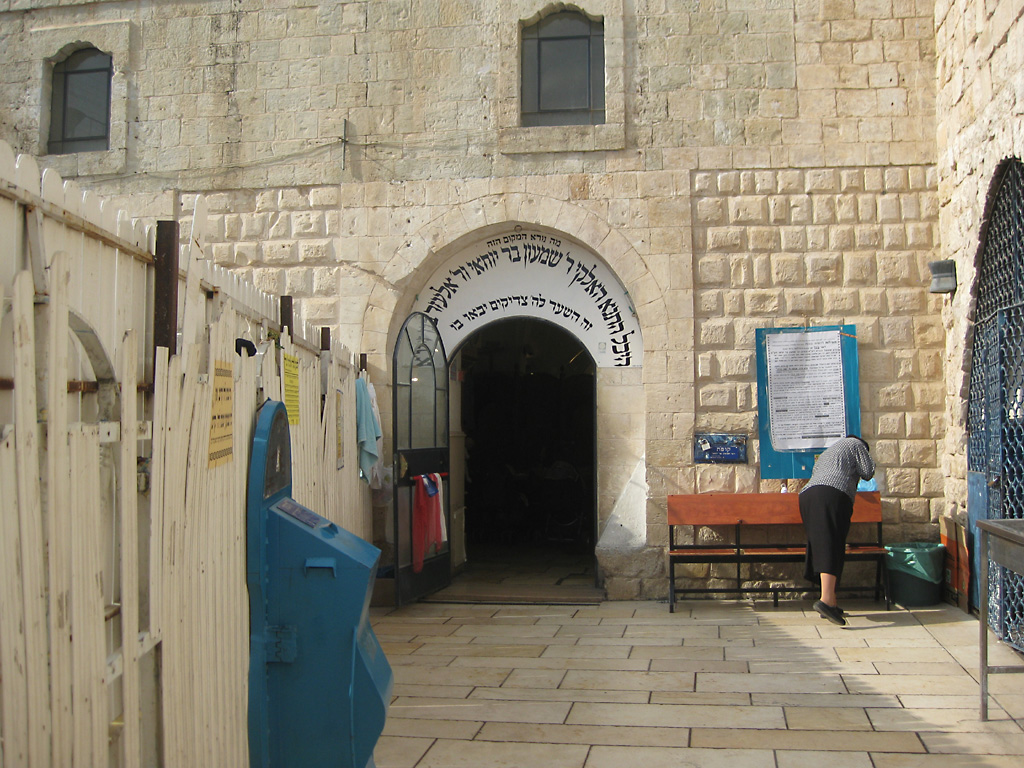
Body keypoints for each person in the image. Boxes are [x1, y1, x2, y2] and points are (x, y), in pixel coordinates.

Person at [798, 434, 875, 626]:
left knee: (821, 544)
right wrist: (867, 457)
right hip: (831, 494)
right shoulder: (856, 444)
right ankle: (825, 601)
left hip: (807, 495)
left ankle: (831, 601)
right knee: (831, 544)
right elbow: (868, 471)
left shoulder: (829, 452)